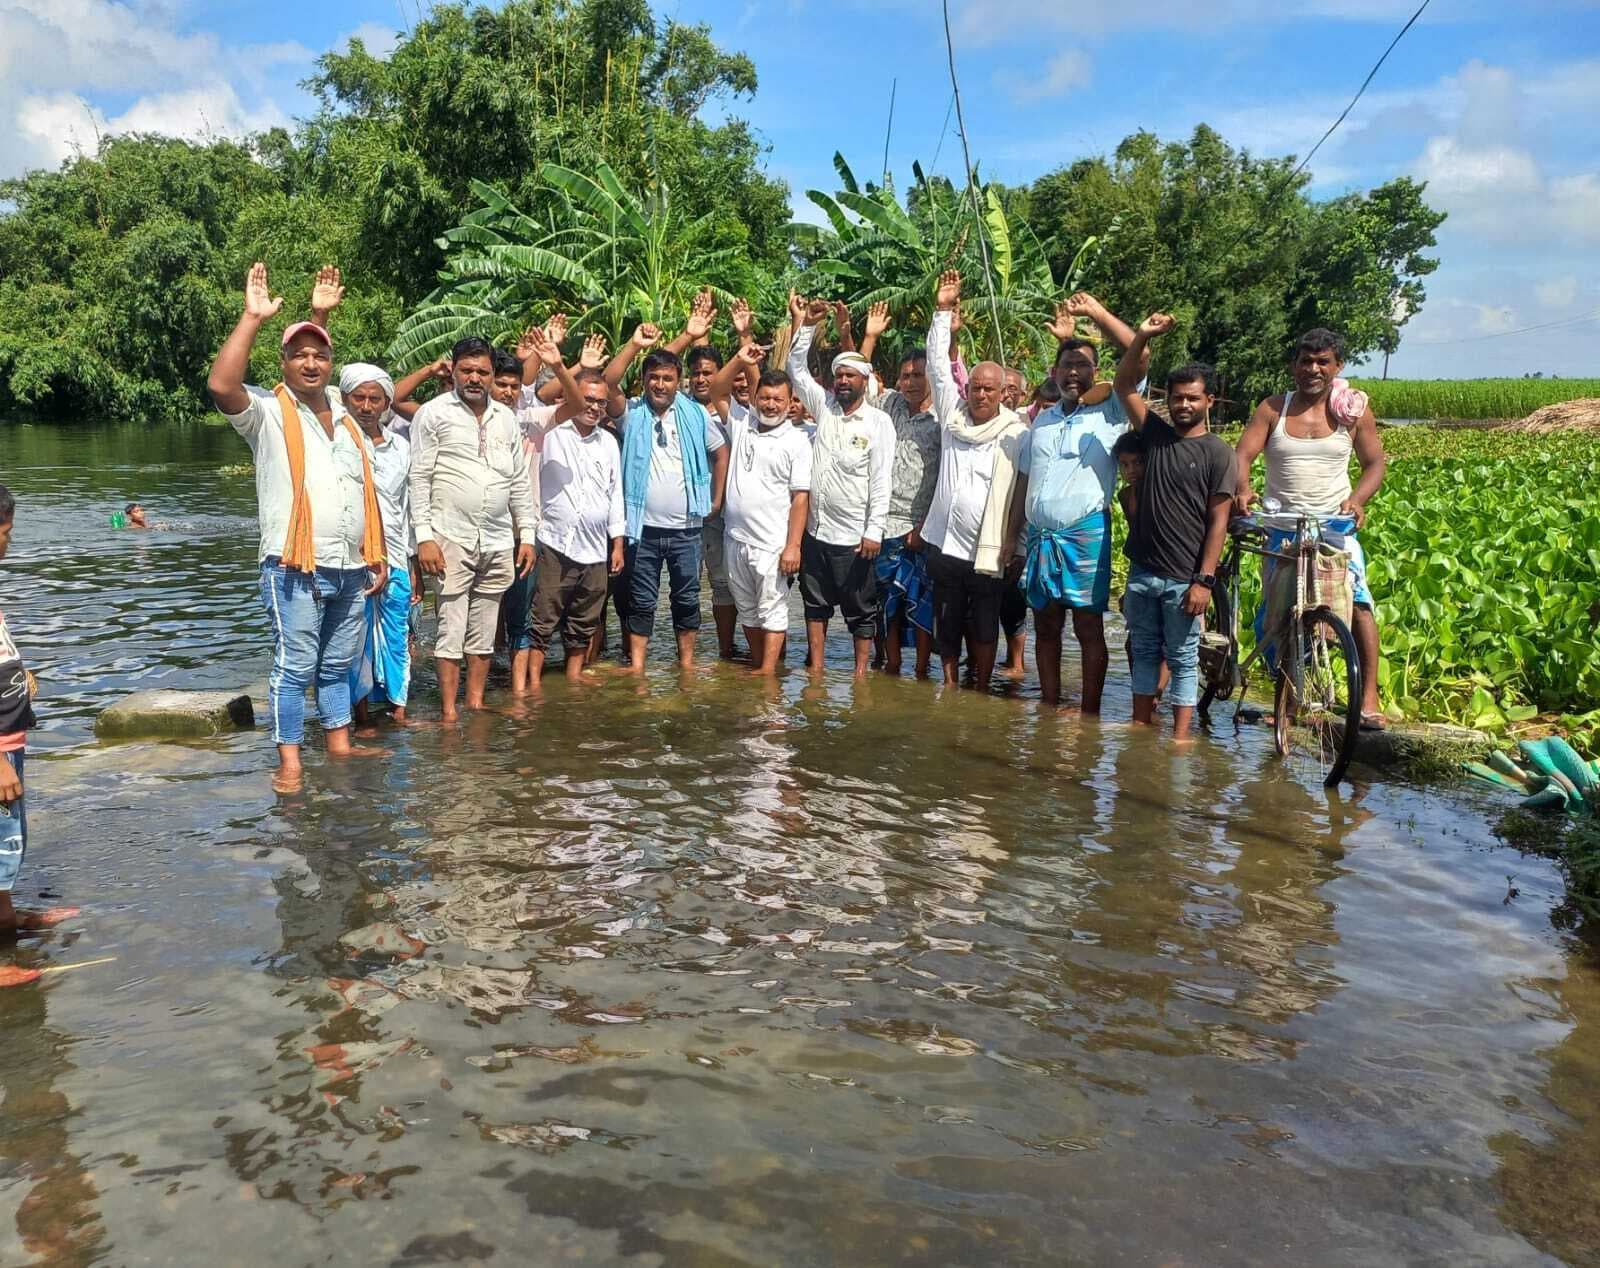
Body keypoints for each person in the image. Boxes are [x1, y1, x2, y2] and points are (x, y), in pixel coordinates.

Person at [207, 264, 389, 792]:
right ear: (281, 363)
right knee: (296, 665)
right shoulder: (266, 412)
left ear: (332, 364)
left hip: (350, 566)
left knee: (337, 663)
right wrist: (252, 317)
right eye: (299, 355)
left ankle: (338, 742)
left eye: (320, 354)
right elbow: (221, 384)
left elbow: (359, 493)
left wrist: (374, 553)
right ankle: (289, 760)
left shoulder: (346, 414)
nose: (311, 362)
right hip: (292, 568)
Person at [1234, 328, 1388, 729]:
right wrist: (1244, 489)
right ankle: (1288, 703)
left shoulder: (1351, 411)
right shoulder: (1273, 409)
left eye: (1323, 362)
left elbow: (1375, 464)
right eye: (1306, 361)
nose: (1313, 369)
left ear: (1337, 367)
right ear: (1294, 366)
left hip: (1333, 527)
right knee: (1282, 614)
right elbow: (1244, 454)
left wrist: (1357, 500)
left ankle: (1368, 697)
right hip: (1282, 524)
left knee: (1358, 604)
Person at [1004, 293, 1137, 713]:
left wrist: (1097, 313)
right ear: (1054, 373)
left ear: (1096, 373)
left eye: (1083, 365)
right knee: (1045, 624)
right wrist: (1012, 538)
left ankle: (1090, 712)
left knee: (1087, 625)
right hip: (1040, 537)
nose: (1074, 373)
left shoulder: (1112, 412)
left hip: (1086, 534)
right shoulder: (1041, 420)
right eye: (1067, 366)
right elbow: (1024, 483)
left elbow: (1139, 353)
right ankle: (1047, 704)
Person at [1113, 314, 1236, 740]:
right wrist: (1143, 335)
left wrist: (1204, 580)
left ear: (1210, 402)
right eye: (1178, 398)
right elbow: (1124, 386)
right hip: (1144, 571)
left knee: (1183, 659)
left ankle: (1181, 740)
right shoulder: (1155, 435)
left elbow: (1219, 520)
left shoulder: (1219, 453)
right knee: (1144, 650)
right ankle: (1140, 725)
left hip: (1185, 578)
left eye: (1193, 399)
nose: (1184, 405)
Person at [409, 335, 536, 720]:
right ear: (453, 370)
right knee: (450, 629)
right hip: (450, 537)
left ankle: (475, 704)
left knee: (484, 629)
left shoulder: (507, 419)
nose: (475, 378)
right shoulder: (433, 414)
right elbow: (419, 479)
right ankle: (449, 713)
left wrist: (526, 535)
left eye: (483, 371)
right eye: (467, 370)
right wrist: (424, 539)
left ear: (494, 374)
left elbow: (518, 482)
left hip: (498, 538)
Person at [914, 271, 1029, 691]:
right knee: (946, 621)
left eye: (988, 390)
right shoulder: (952, 419)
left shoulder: (1017, 433)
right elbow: (939, 368)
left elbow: (1021, 492)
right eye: (975, 388)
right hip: (946, 544)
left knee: (983, 626)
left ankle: (979, 688)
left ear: (1004, 394)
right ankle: (949, 686)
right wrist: (942, 310)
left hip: (990, 549)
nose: (979, 395)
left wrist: (1016, 541)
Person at [602, 328, 729, 672]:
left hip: (687, 529)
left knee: (686, 598)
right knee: (641, 601)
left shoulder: (695, 414)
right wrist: (634, 345)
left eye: (668, 378)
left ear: (679, 381)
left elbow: (720, 453)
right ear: (644, 381)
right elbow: (608, 382)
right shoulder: (631, 414)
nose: (660, 385)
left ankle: (686, 665)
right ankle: (639, 667)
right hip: (641, 530)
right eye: (654, 378)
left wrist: (715, 501)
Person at [786, 291, 895, 676]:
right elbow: (795, 370)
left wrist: (874, 531)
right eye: (839, 376)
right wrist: (810, 325)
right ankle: (816, 669)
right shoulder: (824, 409)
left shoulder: (879, 423)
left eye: (851, 375)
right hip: (817, 533)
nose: (844, 381)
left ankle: (860, 674)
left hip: (856, 538)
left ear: (865, 380)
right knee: (814, 605)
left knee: (861, 611)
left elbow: (881, 480)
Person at [0, 486, 78, 975]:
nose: (8, 544)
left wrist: (18, 676)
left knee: (9, 840)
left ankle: (6, 919)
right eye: (4, 534)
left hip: (10, 737)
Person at [710, 351, 813, 675]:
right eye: (765, 398)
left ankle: (768, 674)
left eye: (777, 400)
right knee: (748, 610)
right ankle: (762, 667)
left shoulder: (797, 441)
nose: (770, 405)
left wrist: (793, 546)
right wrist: (740, 358)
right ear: (755, 398)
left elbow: (800, 499)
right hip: (735, 538)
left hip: (772, 544)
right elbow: (716, 390)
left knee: (772, 609)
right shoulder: (742, 423)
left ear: (789, 401)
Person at [526, 367, 626, 685]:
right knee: (543, 617)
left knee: (585, 618)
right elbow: (536, 397)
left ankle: (573, 677)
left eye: (600, 402)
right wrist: (558, 364)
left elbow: (615, 493)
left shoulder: (608, 442)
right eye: (587, 399)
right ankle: (534, 683)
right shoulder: (550, 434)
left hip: (596, 546)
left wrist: (618, 543)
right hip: (555, 542)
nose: (594, 407)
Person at [858, 301, 940, 678]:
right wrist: (868, 338)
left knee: (920, 603)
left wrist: (926, 526)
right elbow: (856, 381)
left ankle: (922, 670)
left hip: (919, 525)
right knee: (884, 604)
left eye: (918, 375)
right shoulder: (888, 404)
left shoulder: (943, 418)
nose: (910, 381)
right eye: (905, 375)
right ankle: (891, 665)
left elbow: (945, 477)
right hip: (883, 522)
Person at [337, 362, 417, 728]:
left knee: (398, 634)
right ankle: (362, 716)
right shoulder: (337, 442)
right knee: (357, 639)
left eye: (375, 399)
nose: (366, 406)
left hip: (397, 555)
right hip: (353, 558)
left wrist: (412, 563)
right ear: (345, 399)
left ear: (386, 403)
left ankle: (399, 708)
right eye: (359, 398)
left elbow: (408, 507)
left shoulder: (401, 447)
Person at [685, 343, 743, 660]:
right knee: (687, 583)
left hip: (724, 511)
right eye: (695, 373)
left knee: (724, 583)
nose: (701, 379)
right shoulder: (679, 409)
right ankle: (688, 655)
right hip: (688, 511)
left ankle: (726, 649)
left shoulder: (732, 410)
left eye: (708, 372)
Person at [1111, 429, 1168, 699]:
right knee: (1135, 642)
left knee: (1170, 642)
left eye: (1137, 462)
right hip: (1141, 568)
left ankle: (1155, 693)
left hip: (1171, 568)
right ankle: (1148, 697)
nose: (1131, 470)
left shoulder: (1162, 492)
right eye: (1124, 465)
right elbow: (1137, 538)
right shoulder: (1125, 496)